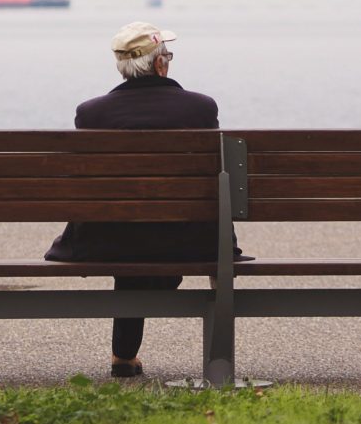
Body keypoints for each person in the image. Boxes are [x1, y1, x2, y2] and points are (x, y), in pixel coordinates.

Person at [45, 21, 245, 377]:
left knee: (130, 228)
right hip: (190, 243)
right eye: (167, 54)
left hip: (109, 242)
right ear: (160, 65)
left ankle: (124, 355)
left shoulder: (91, 114)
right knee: (154, 232)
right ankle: (204, 357)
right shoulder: (200, 109)